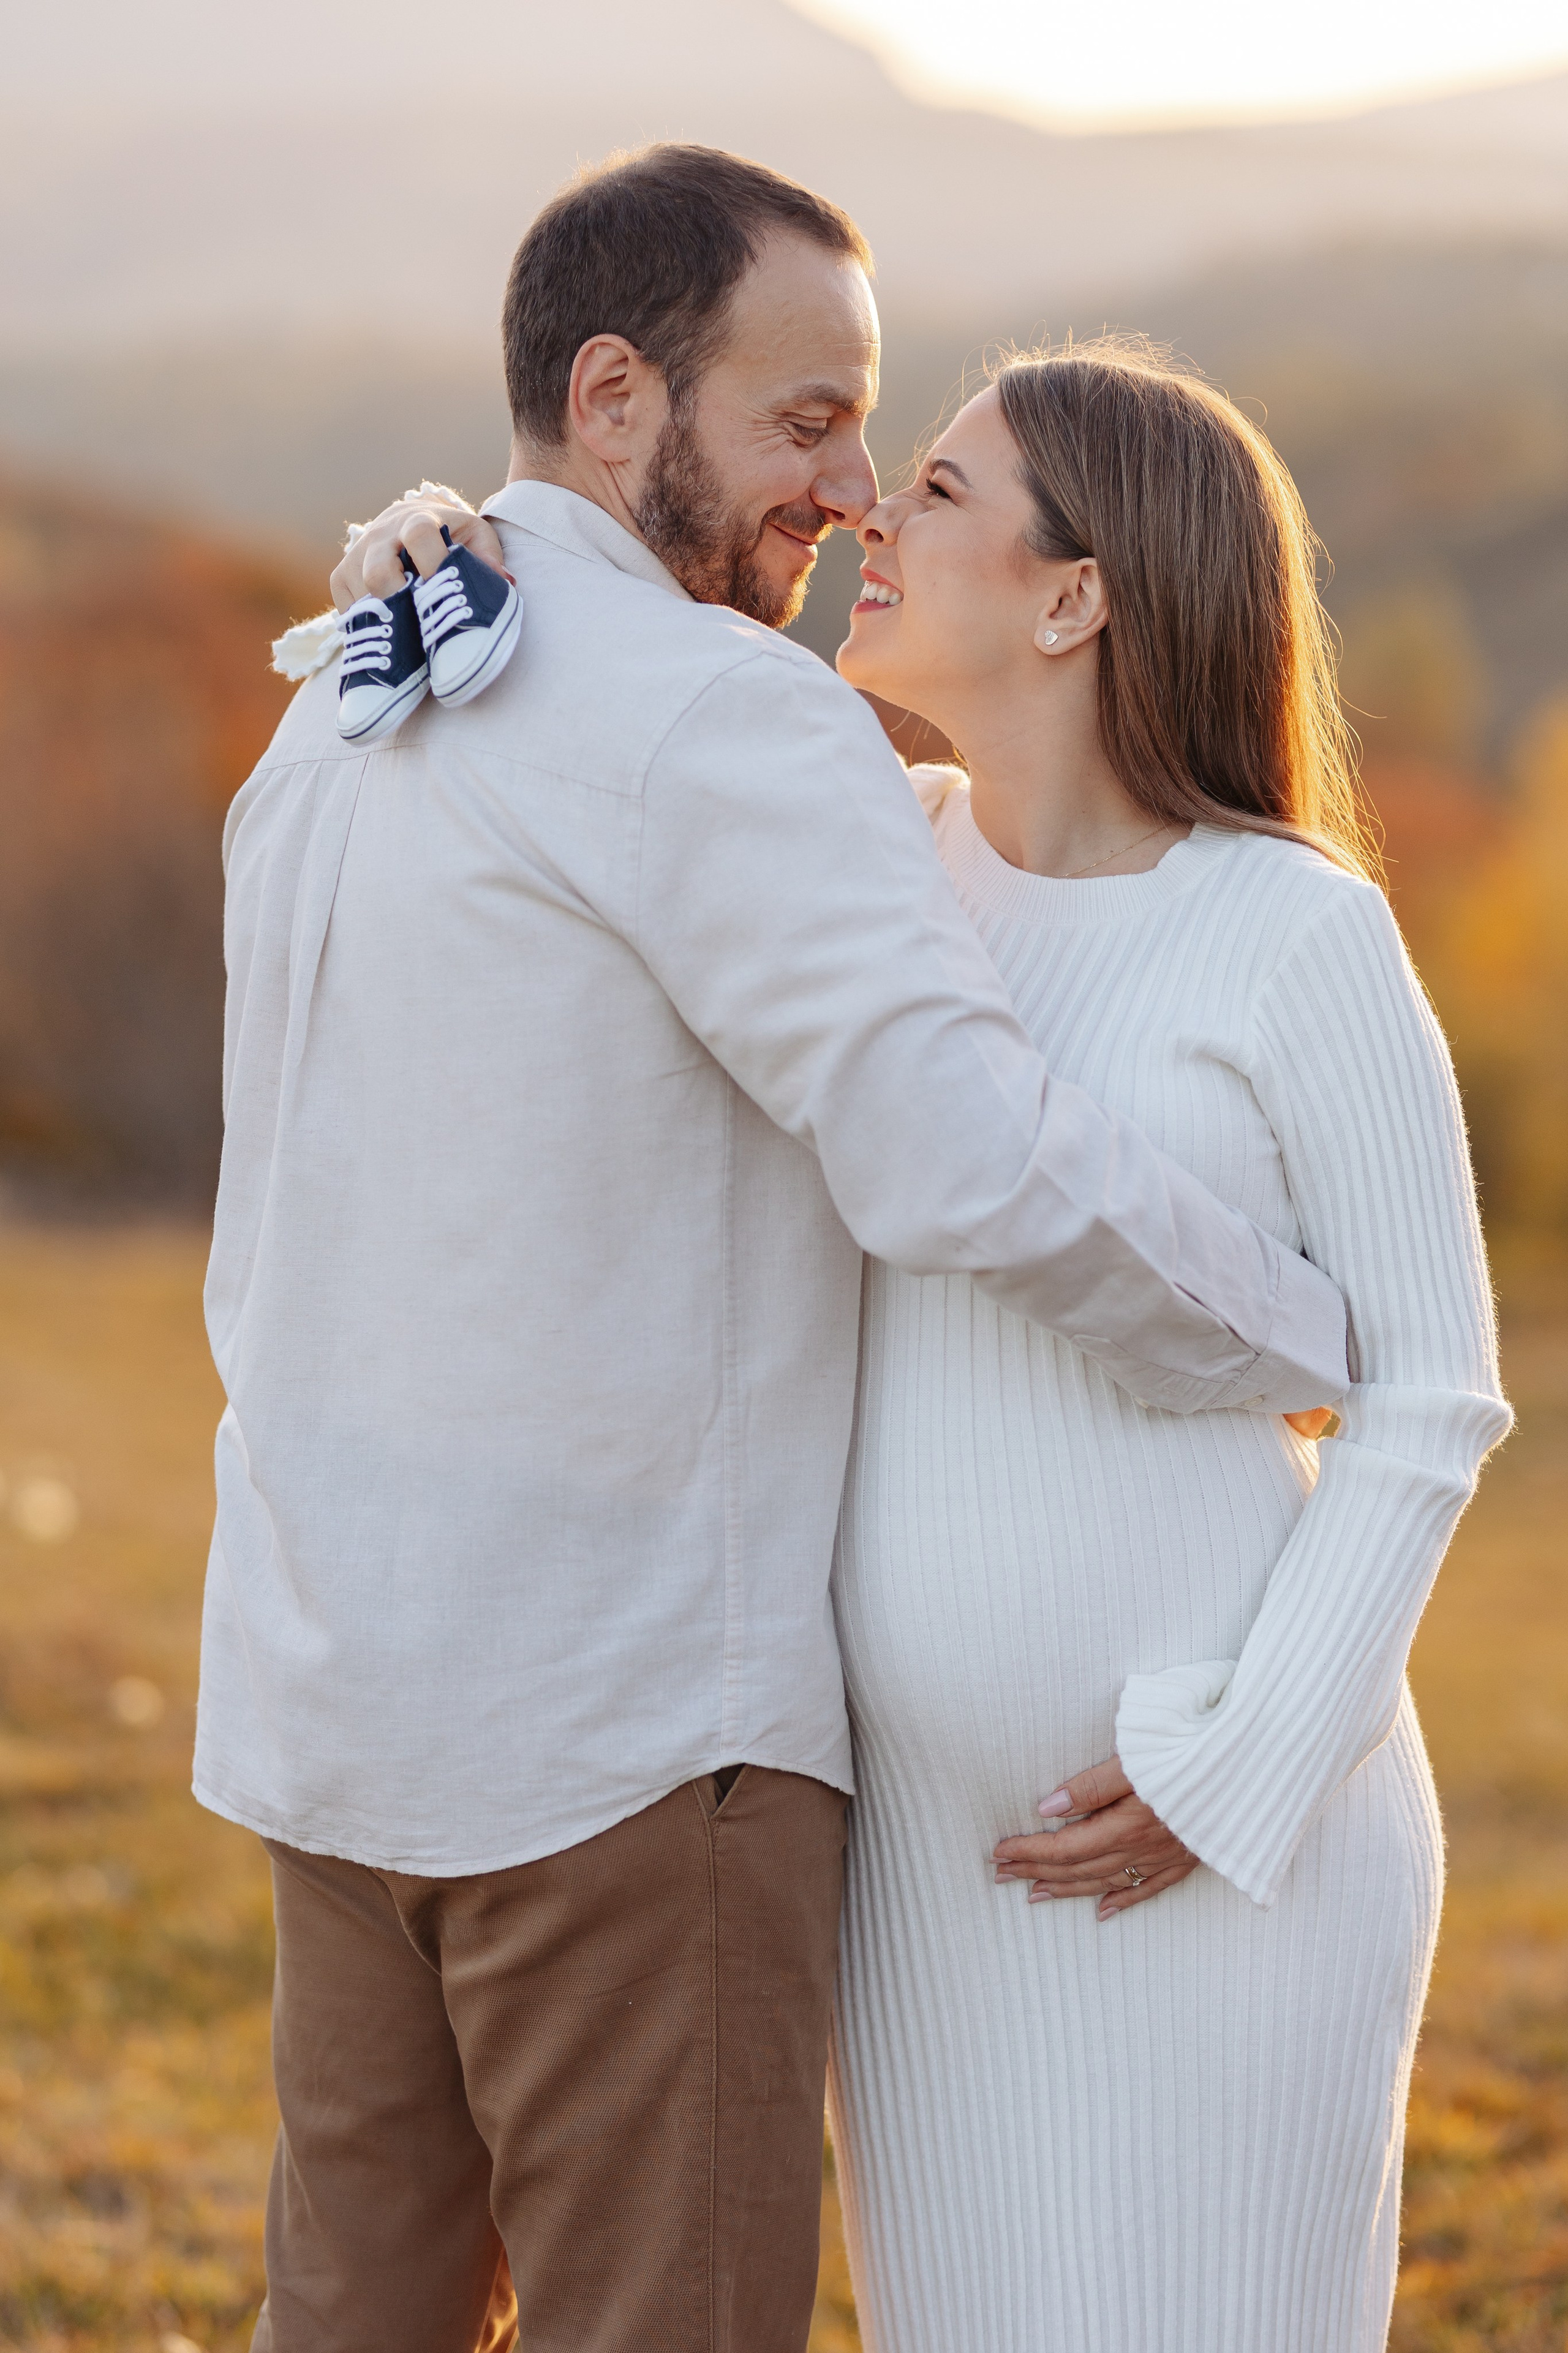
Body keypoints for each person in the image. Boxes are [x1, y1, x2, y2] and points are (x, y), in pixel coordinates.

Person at [203, 148, 1346, 2353]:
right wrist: (1309, 1326)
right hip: (626, 1753)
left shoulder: (341, 698)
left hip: (330, 1710)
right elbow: (966, 1160)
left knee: (350, 2324)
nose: (850, 492)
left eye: (871, 427)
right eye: (807, 420)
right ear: (618, 397)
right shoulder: (727, 719)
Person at [817, 347, 1510, 2351]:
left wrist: (1246, 1767)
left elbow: (1428, 1394)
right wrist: (452, 554)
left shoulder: (1293, 930)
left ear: (1073, 593)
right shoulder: (871, 869)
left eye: (939, 490)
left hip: (1225, 1855)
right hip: (923, 1877)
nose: (875, 511)